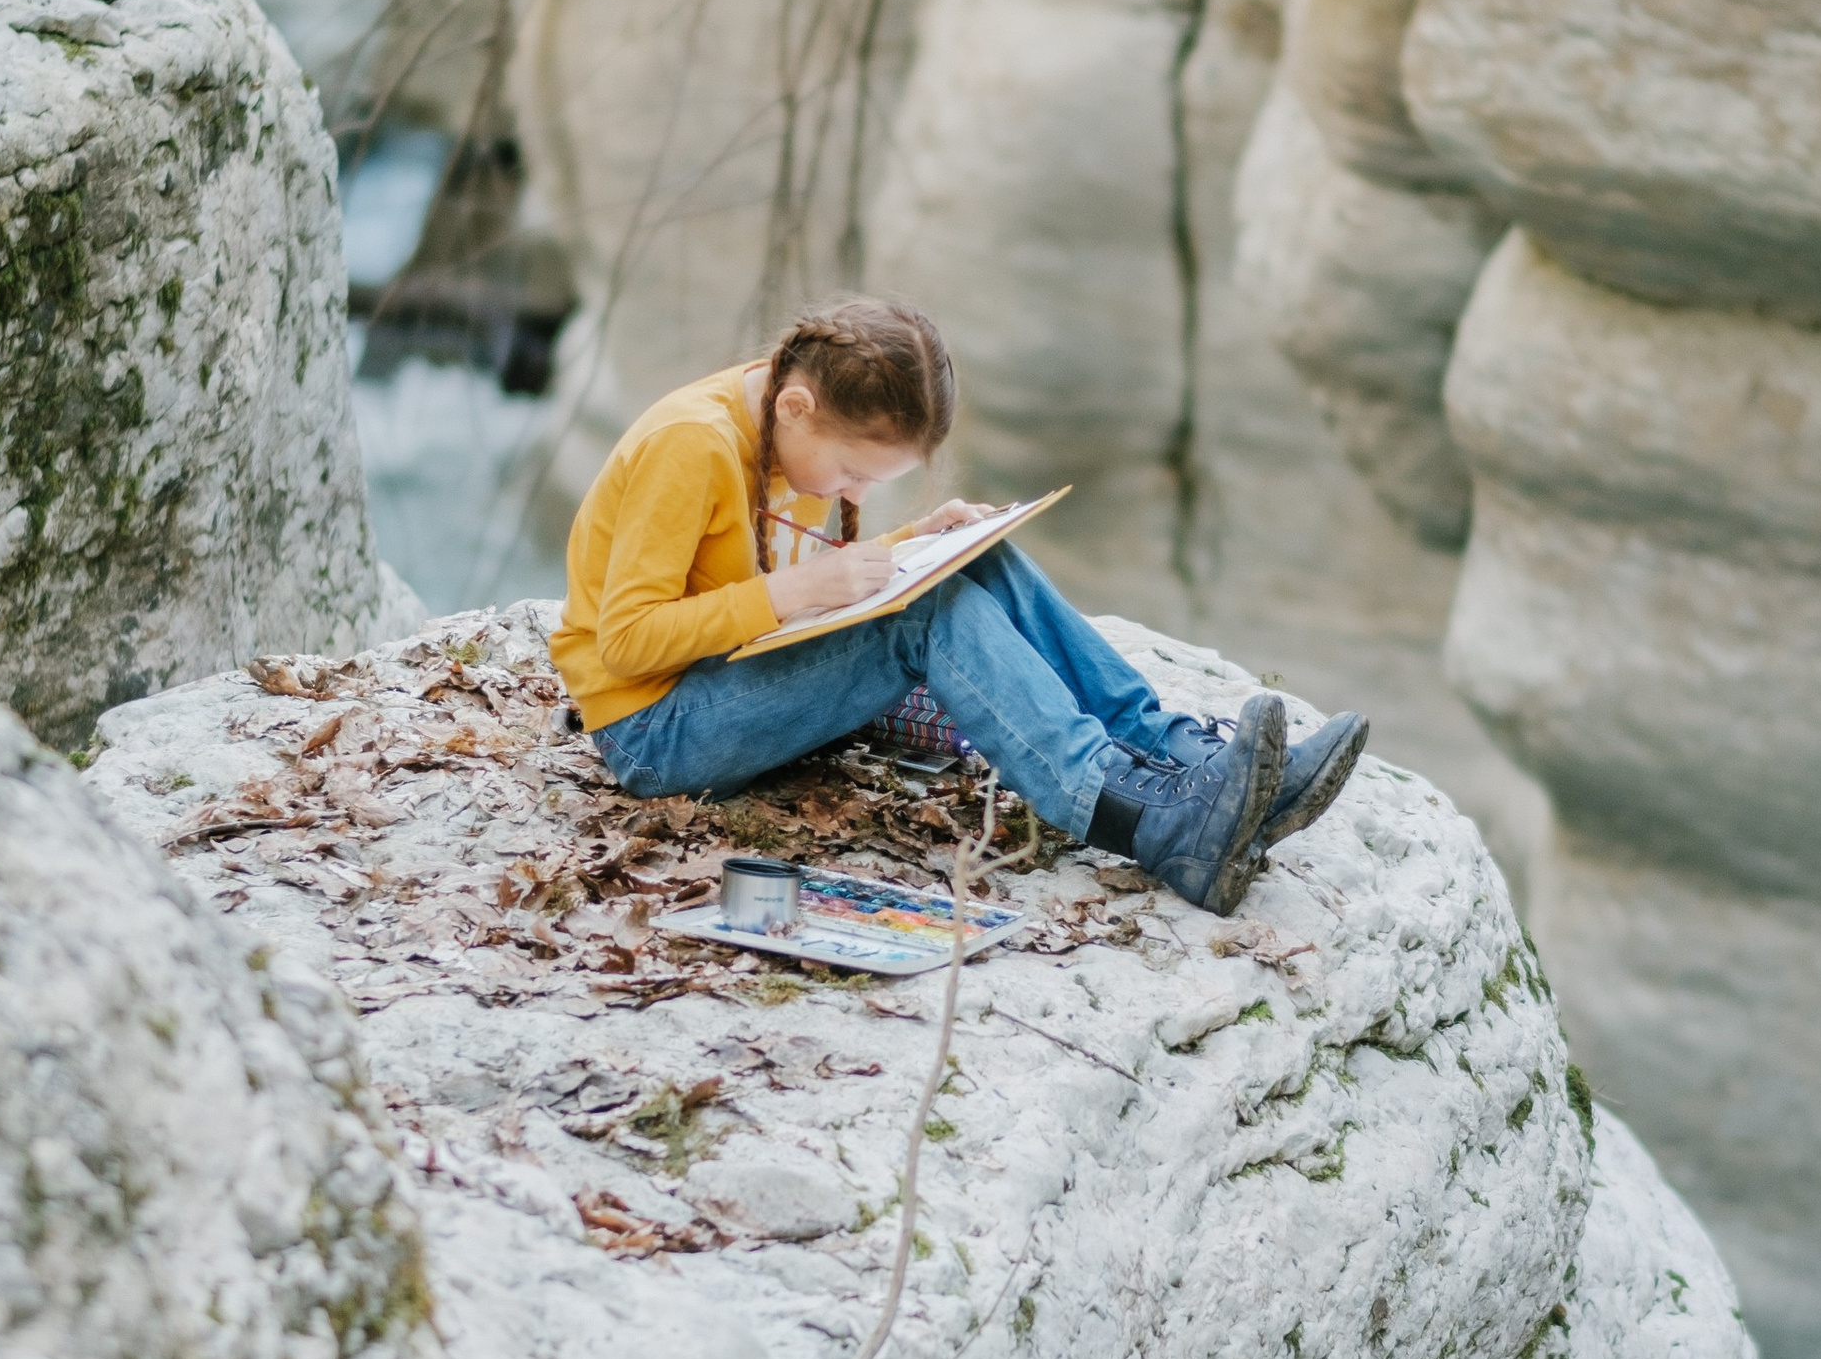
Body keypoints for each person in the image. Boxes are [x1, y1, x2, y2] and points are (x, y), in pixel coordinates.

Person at [550, 296, 1368, 919]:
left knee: (979, 561)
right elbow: (626, 641)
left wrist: (916, 542)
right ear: (796, 405)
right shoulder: (692, 444)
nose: (854, 493)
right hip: (656, 732)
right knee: (924, 616)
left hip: (731, 680)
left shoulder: (779, 431)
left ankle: (1180, 760)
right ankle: (1141, 820)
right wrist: (793, 591)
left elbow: (768, 593)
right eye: (851, 472)